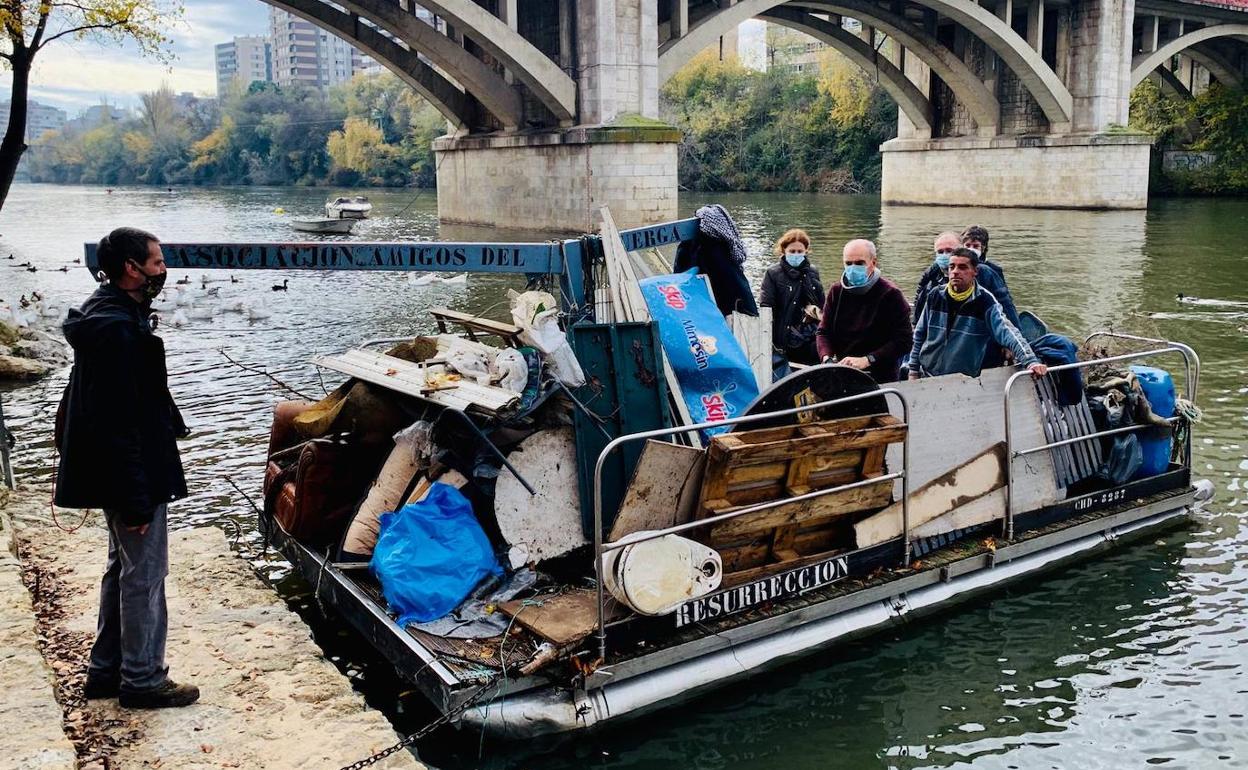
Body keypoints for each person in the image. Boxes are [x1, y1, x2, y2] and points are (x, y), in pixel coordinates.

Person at [55, 227, 200, 709]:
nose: (163, 270)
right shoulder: (116, 330)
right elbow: (116, 422)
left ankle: (106, 670)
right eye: (156, 262)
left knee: (123, 566)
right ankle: (142, 679)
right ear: (131, 269)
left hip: (118, 467)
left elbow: (86, 405)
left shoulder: (110, 317)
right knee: (145, 574)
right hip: (130, 471)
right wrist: (135, 494)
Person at [909, 248, 1047, 380]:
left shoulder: (985, 301)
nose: (955, 272)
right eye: (952, 267)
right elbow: (920, 334)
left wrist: (1031, 361)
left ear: (975, 271)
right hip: (926, 373)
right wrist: (913, 371)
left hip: (962, 379)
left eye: (962, 267)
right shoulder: (935, 295)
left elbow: (1008, 332)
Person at [814, 239, 913, 383]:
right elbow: (823, 332)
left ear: (873, 263)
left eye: (859, 263)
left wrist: (868, 359)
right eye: (848, 263)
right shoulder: (836, 291)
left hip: (880, 375)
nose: (853, 268)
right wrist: (827, 358)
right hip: (843, 371)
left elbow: (904, 340)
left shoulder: (891, 294)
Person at [913, 231, 1020, 328]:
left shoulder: (984, 273)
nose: (944, 255)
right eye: (940, 252)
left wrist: (1014, 338)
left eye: (949, 250)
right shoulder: (932, 277)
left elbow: (1006, 306)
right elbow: (920, 309)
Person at [759, 228, 825, 365]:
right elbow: (766, 306)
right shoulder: (773, 273)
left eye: (800, 251)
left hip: (810, 334)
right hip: (784, 336)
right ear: (784, 251)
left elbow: (822, 303)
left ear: (806, 251)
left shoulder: (812, 272)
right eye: (792, 251)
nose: (796, 254)